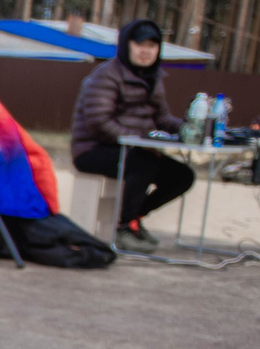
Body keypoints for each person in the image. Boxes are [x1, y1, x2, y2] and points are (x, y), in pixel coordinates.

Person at [71, 17, 191, 249]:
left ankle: (135, 218)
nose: (146, 51)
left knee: (183, 176)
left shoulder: (153, 78)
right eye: (140, 44)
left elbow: (162, 118)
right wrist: (140, 140)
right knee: (142, 162)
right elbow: (99, 123)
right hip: (92, 150)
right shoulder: (105, 76)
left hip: (135, 149)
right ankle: (124, 228)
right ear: (126, 45)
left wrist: (189, 129)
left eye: (152, 46)